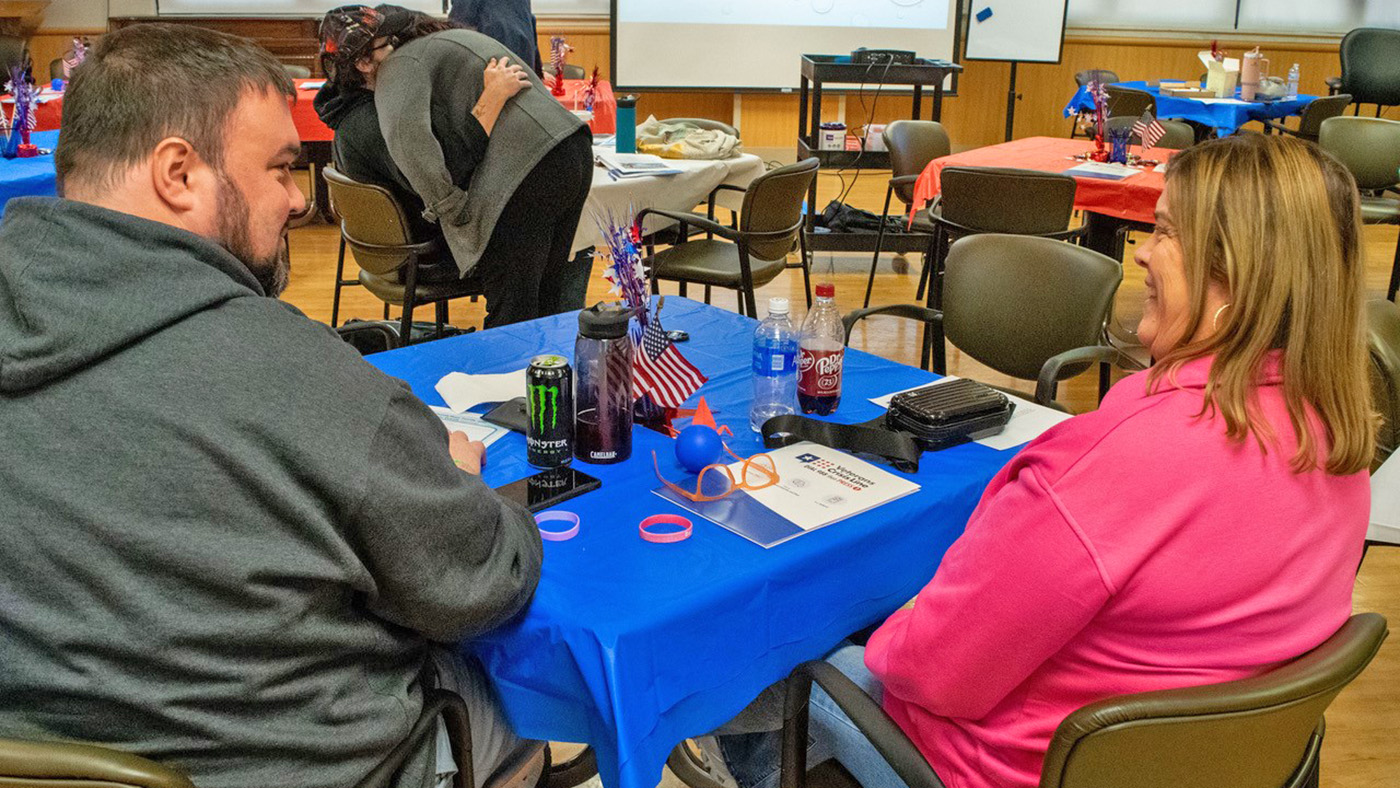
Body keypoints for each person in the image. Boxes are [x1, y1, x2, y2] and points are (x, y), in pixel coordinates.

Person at [711, 133, 1376, 788]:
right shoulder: (1335, 434)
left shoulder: (1128, 458)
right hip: (1191, 762)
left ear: (1237, 272)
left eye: (1167, 235)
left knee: (745, 657)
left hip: (998, 765)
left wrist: (894, 628)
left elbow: (935, 674)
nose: (1143, 256)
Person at [0, 23, 543, 788]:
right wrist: (467, 486)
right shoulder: (300, 375)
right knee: (526, 713)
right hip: (326, 765)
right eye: (281, 168)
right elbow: (483, 579)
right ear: (178, 173)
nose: (297, 198)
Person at [316, 6, 593, 329]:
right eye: (385, 43)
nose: (393, 47)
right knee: (539, 300)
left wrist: (456, 210)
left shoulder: (389, 77)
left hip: (528, 167)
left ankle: (512, 375)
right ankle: (535, 373)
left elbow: (437, 165)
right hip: (569, 147)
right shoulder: (421, 60)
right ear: (361, 63)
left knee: (519, 308)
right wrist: (489, 101)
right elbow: (440, 167)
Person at [448, 0, 543, 77]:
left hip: (492, 63)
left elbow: (458, 29)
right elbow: (530, 21)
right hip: (523, 61)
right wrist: (538, 74)